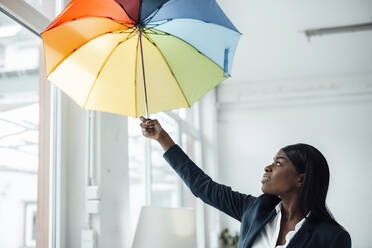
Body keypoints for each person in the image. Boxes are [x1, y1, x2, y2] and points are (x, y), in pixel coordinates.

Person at [139, 116, 351, 248]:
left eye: (279, 163)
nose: (268, 167)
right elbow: (202, 187)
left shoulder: (332, 238)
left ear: (300, 179)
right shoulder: (255, 209)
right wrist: (162, 138)